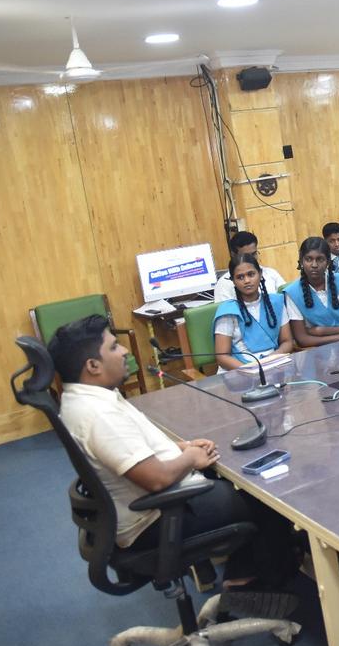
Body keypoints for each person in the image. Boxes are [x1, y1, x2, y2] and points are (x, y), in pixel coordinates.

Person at [48, 315, 298, 601]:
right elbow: (155, 479)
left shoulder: (84, 398)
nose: (126, 351)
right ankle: (262, 588)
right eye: (115, 347)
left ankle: (244, 572)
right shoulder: (98, 414)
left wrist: (182, 447)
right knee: (267, 496)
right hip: (158, 517)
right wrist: (190, 458)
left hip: (151, 505)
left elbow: (130, 448)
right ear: (92, 366)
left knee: (235, 478)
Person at [213, 253, 293, 370]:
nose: (246, 280)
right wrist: (252, 370)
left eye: (251, 274)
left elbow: (287, 342)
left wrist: (270, 361)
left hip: (273, 363)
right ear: (233, 281)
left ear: (260, 274)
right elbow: (222, 357)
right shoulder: (228, 311)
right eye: (240, 277)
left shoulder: (276, 302)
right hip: (240, 369)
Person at [283, 237, 339, 347]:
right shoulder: (292, 293)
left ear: (328, 262)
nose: (314, 265)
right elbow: (302, 339)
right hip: (320, 350)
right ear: (301, 261)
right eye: (308, 259)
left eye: (320, 259)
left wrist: (321, 331)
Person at [212, 231, 285, 302]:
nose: (251, 259)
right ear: (233, 255)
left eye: (254, 254)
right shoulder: (224, 284)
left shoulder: (271, 273)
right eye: (246, 256)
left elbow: (285, 300)